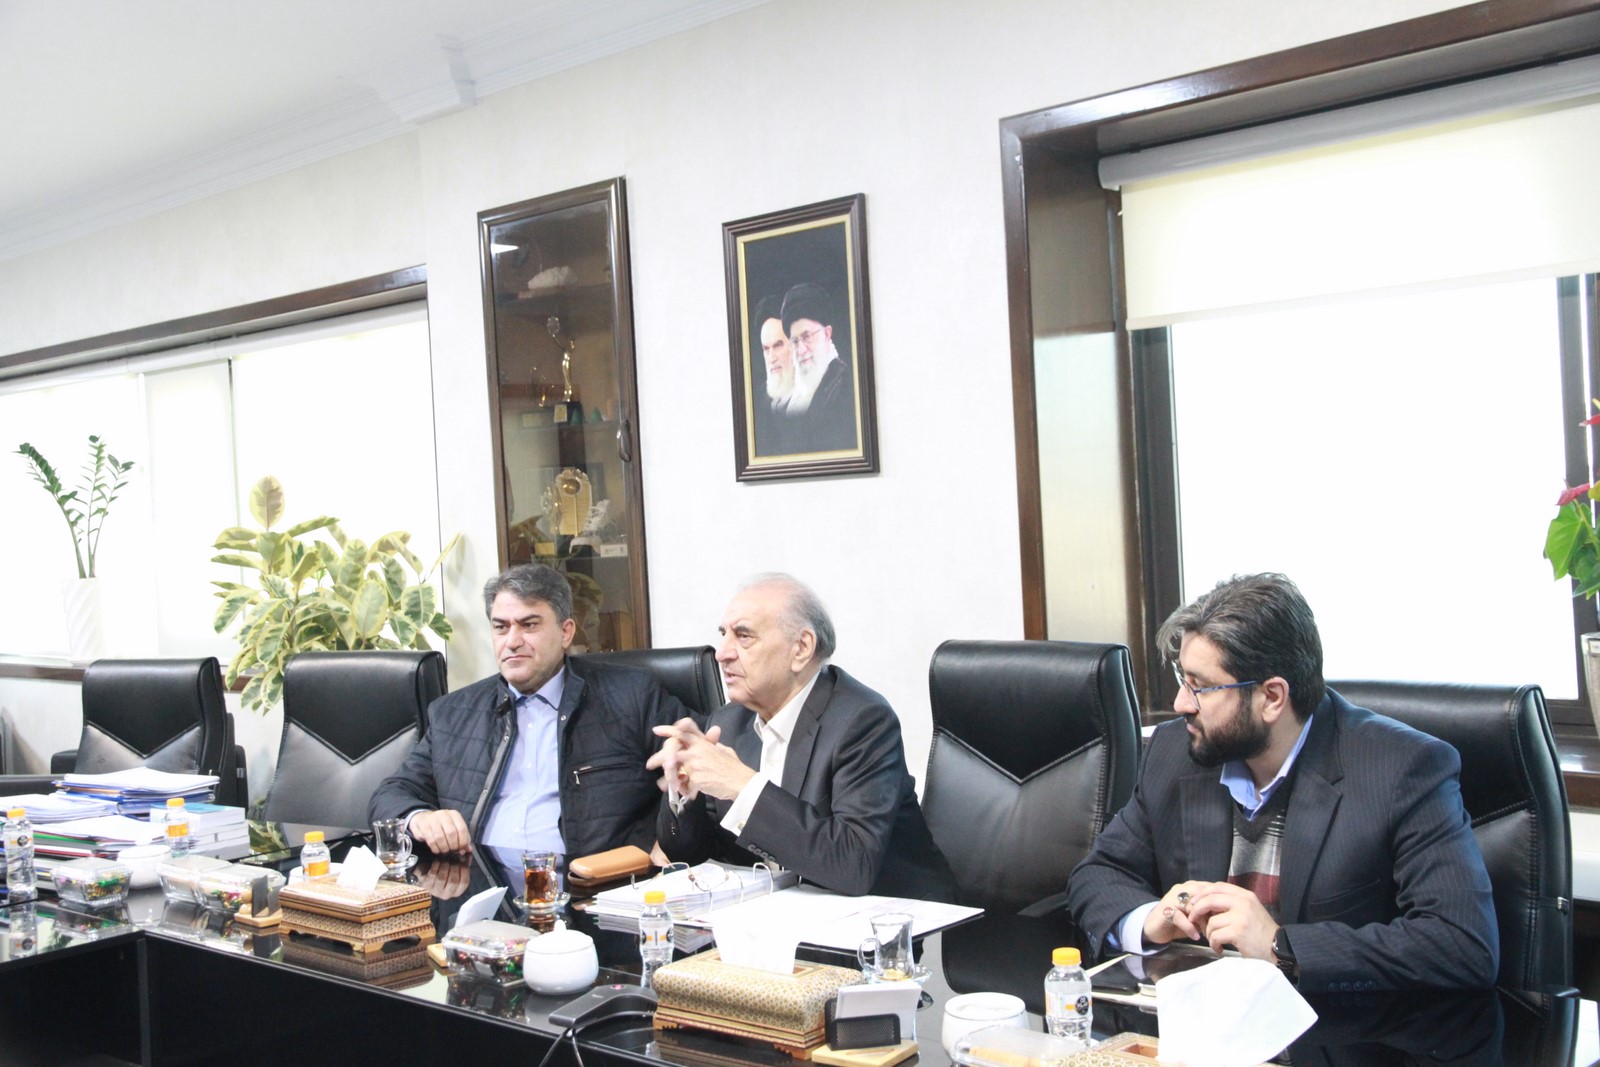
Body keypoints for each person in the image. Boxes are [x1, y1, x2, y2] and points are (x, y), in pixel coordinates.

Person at [1066, 573, 1498, 991]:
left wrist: (1280, 946)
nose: (1181, 704)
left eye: (1200, 687)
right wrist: (1150, 920)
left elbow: (1461, 944)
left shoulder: (1402, 769)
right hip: (1205, 1023)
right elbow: (1099, 874)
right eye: (1183, 679)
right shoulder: (1174, 751)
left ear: (1272, 697)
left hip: (1339, 1030)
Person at [649, 573, 956, 900]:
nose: (721, 653)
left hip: (896, 920)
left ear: (801, 648)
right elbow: (692, 855)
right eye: (723, 635)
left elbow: (853, 864)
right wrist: (685, 795)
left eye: (744, 636)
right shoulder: (728, 723)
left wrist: (742, 785)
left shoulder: (863, 722)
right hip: (782, 918)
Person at [369, 563, 685, 877]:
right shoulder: (453, 713)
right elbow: (390, 795)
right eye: (501, 627)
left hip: (594, 888)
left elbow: (695, 767)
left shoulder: (632, 696)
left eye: (529, 625)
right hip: (480, 888)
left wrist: (666, 842)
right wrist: (419, 818)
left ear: (566, 632)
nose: (512, 641)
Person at [779, 282, 856, 453]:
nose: (801, 350)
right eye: (795, 341)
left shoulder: (847, 386)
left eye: (807, 337)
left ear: (827, 334)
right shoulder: (789, 399)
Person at [751, 295, 796, 457]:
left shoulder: (824, 392)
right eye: (766, 349)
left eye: (778, 346)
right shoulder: (758, 399)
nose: (771, 358)